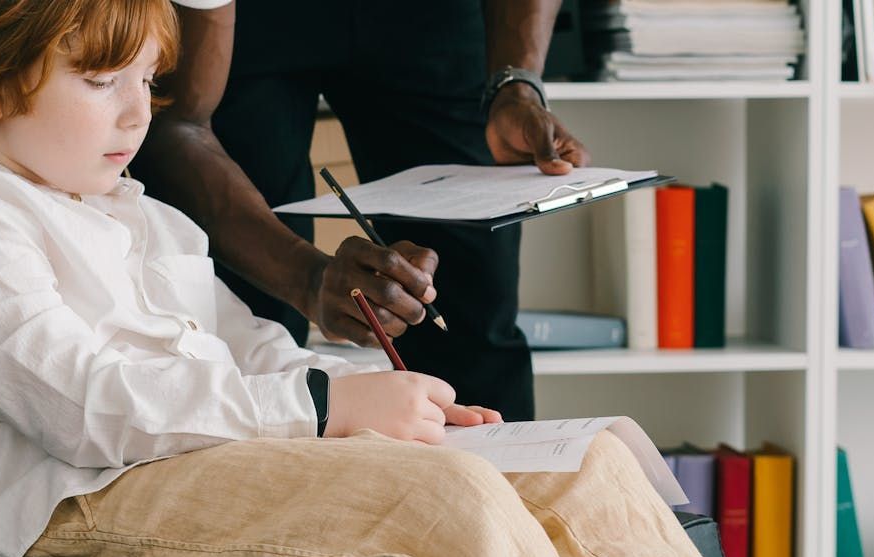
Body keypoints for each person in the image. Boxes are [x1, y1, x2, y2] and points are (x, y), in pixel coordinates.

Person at [0, 0, 738, 557]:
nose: (140, 112)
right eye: (103, 81)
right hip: (65, 528)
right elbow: (83, 403)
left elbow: (255, 351)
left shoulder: (148, 215)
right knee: (452, 499)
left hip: (204, 473)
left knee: (586, 463)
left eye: (147, 79)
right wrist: (324, 411)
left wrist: (388, 404)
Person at [131, 0, 592, 422]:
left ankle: (502, 498)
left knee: (471, 307)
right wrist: (310, 280)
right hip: (254, 21)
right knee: (251, 315)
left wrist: (515, 82)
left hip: (432, 21)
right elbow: (179, 126)